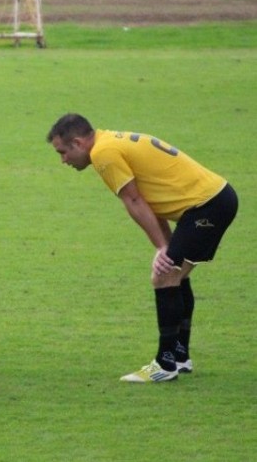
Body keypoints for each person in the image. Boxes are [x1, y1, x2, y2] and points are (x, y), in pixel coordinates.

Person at [47, 113, 238, 383]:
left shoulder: (103, 153)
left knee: (164, 276)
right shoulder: (110, 141)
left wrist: (162, 248)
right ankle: (179, 357)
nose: (63, 160)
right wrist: (165, 246)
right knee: (175, 274)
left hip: (207, 206)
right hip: (213, 201)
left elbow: (134, 201)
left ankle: (165, 364)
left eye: (63, 152)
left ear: (78, 143)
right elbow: (149, 201)